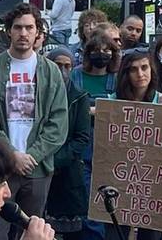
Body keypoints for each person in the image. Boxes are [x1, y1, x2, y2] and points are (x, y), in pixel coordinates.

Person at [0, 3, 68, 240]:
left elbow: (58, 124)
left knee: (32, 233)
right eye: (18, 27)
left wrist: (32, 155)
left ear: (38, 32)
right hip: (0, 167)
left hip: (37, 169)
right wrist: (12, 154)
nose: (23, 33)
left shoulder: (51, 72)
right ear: (8, 30)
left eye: (29, 27)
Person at [42, 48, 91, 239]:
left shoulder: (79, 97)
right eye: (57, 65)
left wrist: (55, 161)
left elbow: (81, 138)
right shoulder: (37, 92)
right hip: (37, 168)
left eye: (67, 66)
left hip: (67, 172)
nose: (62, 70)